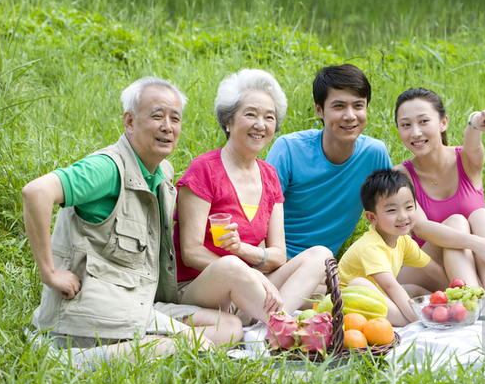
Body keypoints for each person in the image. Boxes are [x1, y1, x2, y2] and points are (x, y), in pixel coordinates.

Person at [23, 77, 242, 368]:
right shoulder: (106, 168)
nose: (168, 126)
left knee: (228, 326)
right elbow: (36, 192)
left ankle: (140, 348)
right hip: (90, 311)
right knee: (193, 344)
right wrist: (50, 273)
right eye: (157, 115)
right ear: (129, 122)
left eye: (175, 118)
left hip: (137, 301)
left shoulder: (162, 171)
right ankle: (68, 360)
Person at [173, 69, 330, 325]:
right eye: (250, 114)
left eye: (269, 117)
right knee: (230, 266)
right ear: (228, 121)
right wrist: (247, 270)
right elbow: (191, 252)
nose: (261, 124)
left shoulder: (269, 176)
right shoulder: (204, 170)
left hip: (253, 286)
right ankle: (277, 322)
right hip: (203, 289)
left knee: (321, 254)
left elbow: (279, 254)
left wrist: (242, 251)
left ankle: (268, 326)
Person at [265, 64, 392, 258]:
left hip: (322, 266)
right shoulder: (289, 149)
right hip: (275, 258)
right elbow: (258, 215)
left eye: (358, 106)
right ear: (319, 110)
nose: (350, 116)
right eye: (339, 106)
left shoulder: (374, 154)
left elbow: (392, 213)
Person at [393, 87, 485, 295]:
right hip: (428, 269)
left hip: (470, 265)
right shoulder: (400, 175)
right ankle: (473, 299)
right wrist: (476, 243)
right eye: (406, 125)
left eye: (424, 121)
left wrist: (476, 120)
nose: (415, 132)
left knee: (482, 215)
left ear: (443, 122)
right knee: (456, 222)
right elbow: (421, 228)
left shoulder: (466, 161)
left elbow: (472, 141)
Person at [338, 169, 448, 326]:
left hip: (381, 298)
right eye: (392, 210)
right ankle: (417, 322)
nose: (403, 216)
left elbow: (432, 269)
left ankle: (439, 313)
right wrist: (417, 316)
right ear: (372, 217)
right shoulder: (372, 247)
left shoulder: (403, 240)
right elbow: (391, 286)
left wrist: (452, 291)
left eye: (409, 207)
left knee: (415, 289)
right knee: (359, 284)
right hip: (350, 304)